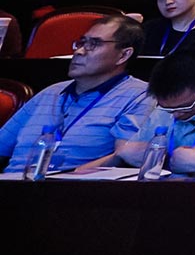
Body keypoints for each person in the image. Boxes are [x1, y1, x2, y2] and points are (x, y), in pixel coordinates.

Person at [0, 15, 149, 173]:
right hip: (12, 184)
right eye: (82, 42)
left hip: (76, 190)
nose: (79, 51)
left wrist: (68, 176)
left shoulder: (140, 95)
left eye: (94, 44)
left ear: (123, 55)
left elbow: (124, 156)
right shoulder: (51, 92)